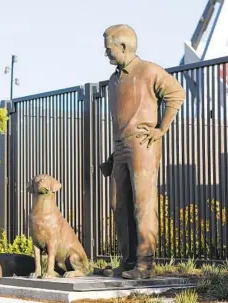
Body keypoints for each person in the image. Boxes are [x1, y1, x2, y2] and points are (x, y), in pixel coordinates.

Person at [101, 24, 185, 279]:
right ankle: (128, 262)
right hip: (121, 147)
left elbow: (176, 93)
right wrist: (113, 154)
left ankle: (145, 265)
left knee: (143, 204)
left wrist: (161, 128)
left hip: (143, 145)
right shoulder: (114, 80)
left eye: (109, 48)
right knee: (120, 205)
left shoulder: (148, 70)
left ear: (123, 46)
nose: (106, 53)